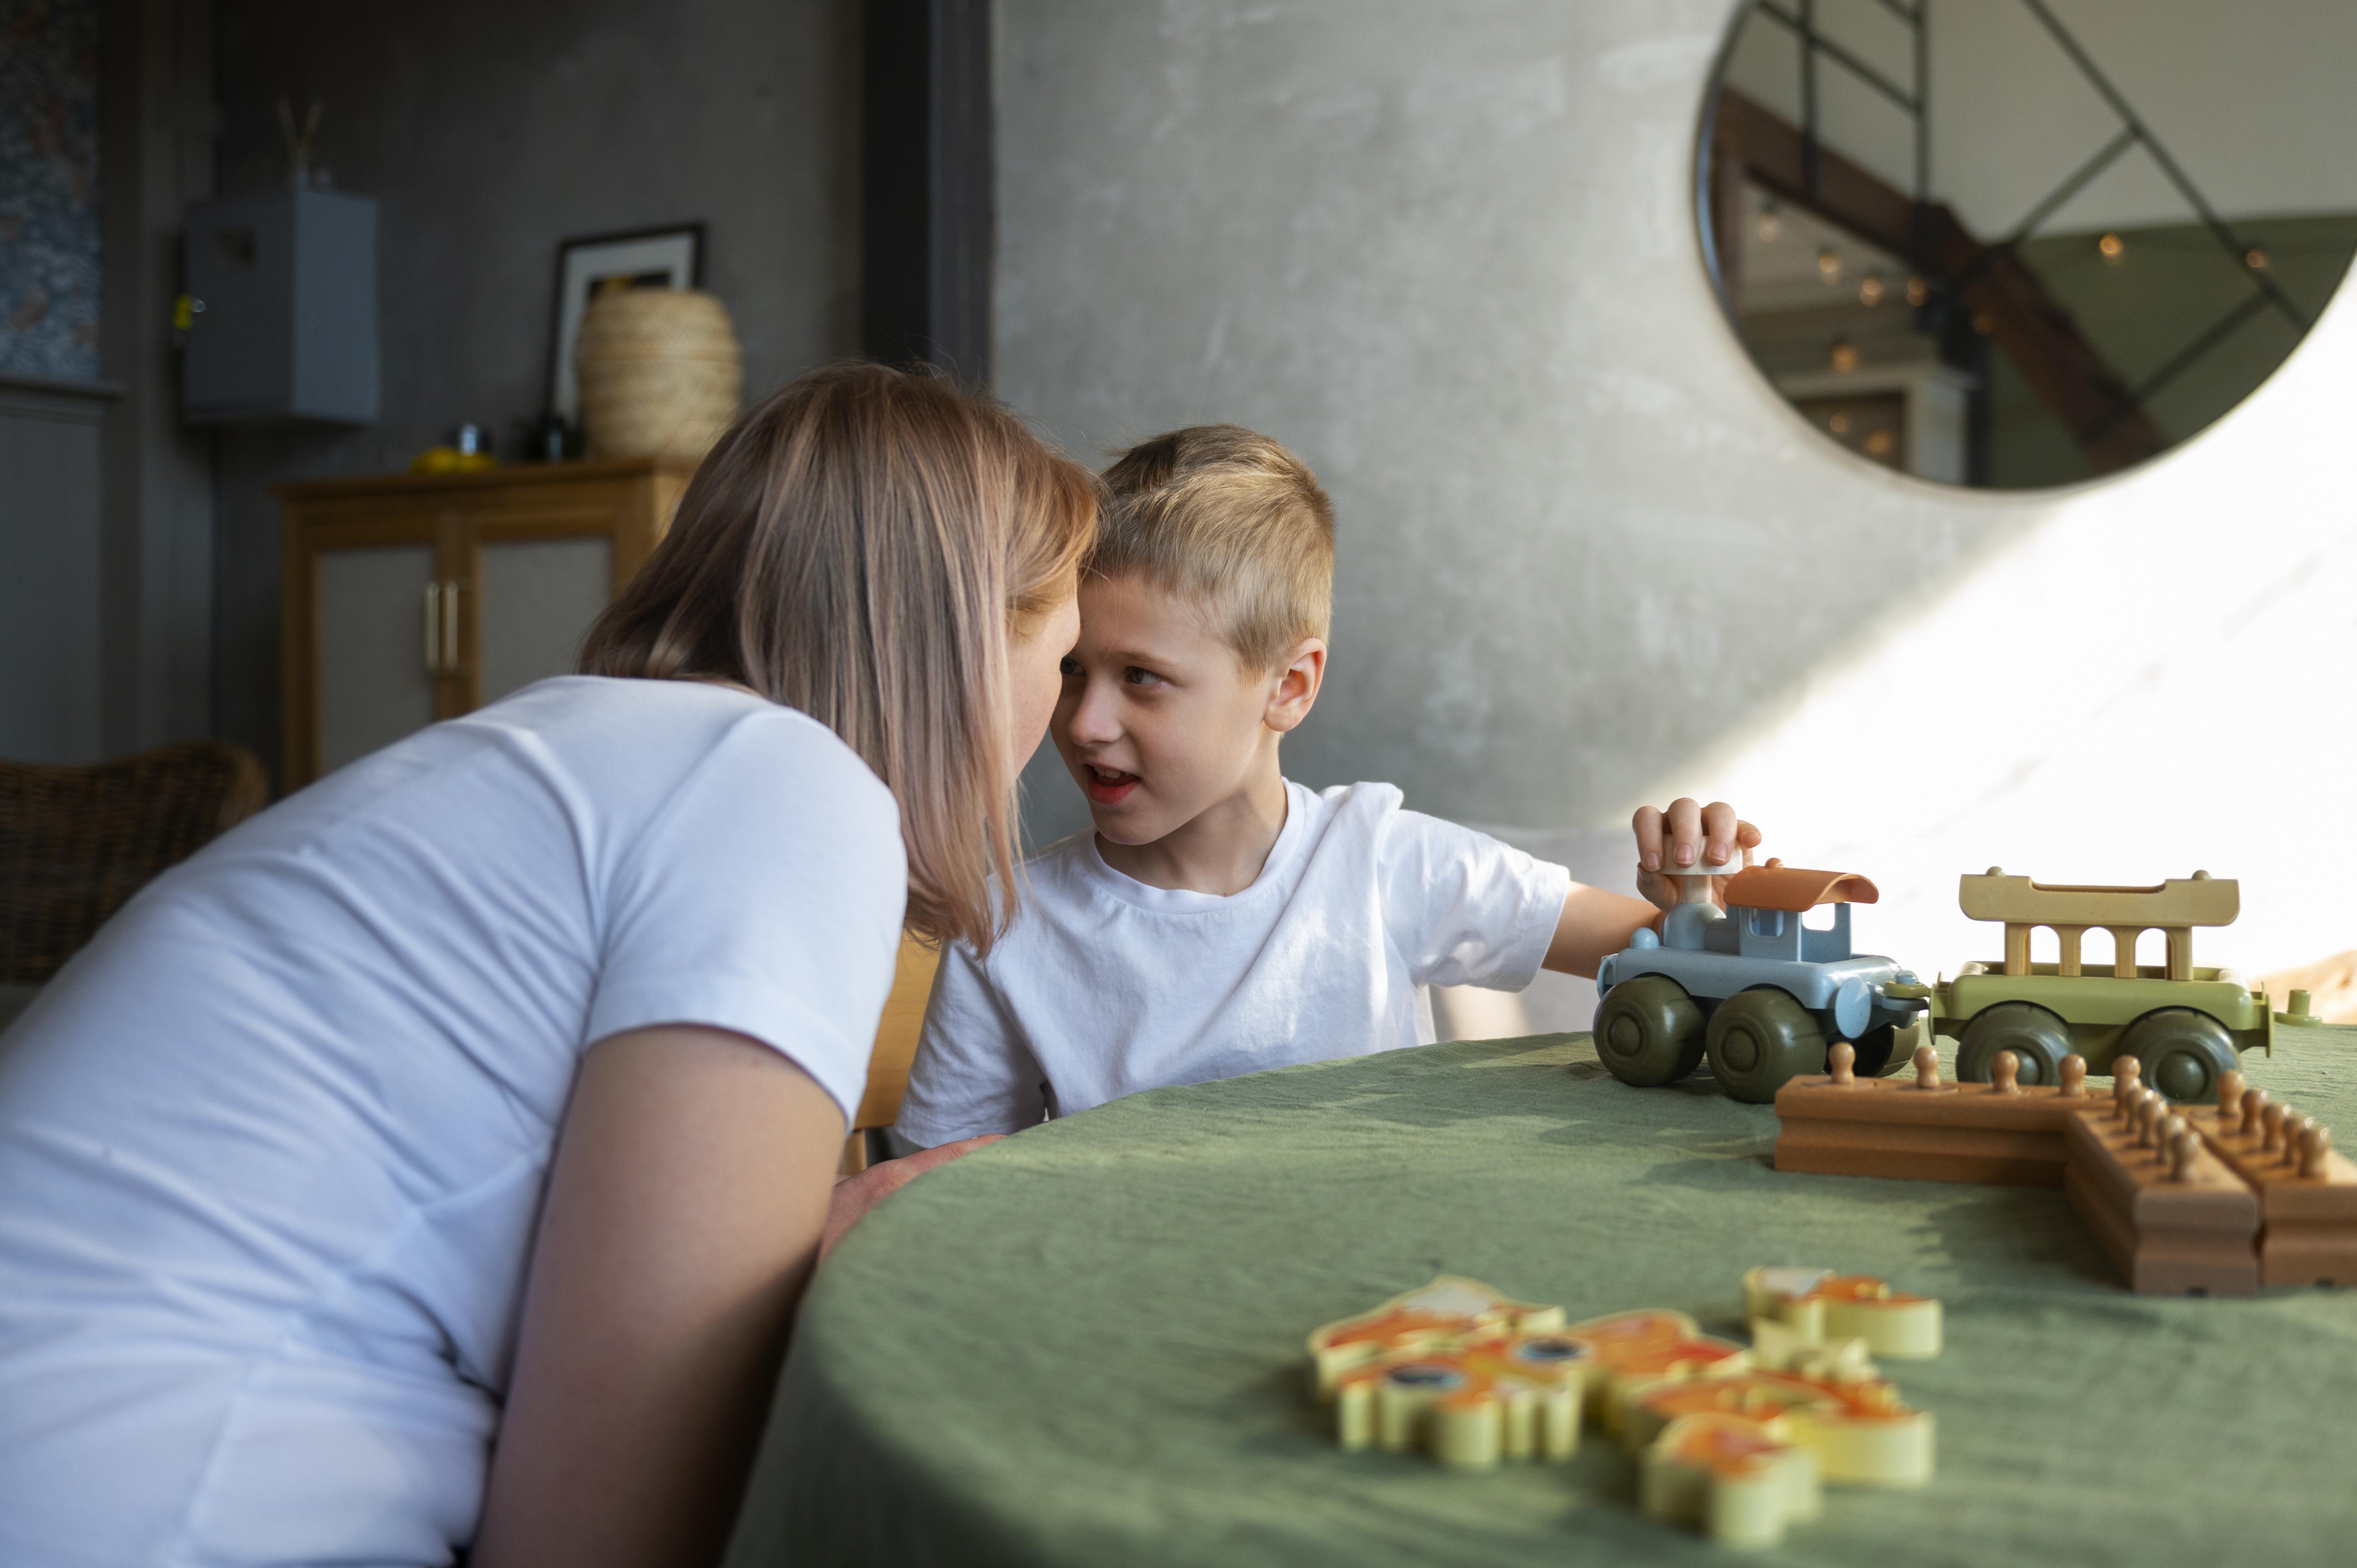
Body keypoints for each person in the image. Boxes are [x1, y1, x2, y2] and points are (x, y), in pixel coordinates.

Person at [0, 364, 1096, 1568]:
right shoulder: (785, 786)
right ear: (958, 642)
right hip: (140, 1495)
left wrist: (787, 1237)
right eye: (1064, 659)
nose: (1072, 718)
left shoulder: (555, 748)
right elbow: (601, 1532)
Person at [893, 424, 1756, 1146]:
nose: (1084, 723)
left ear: (1288, 687)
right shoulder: (1003, 929)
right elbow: (935, 1198)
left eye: (1142, 678)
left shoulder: (1380, 859)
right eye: (1072, 669)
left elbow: (1675, 956)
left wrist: (1688, 900)